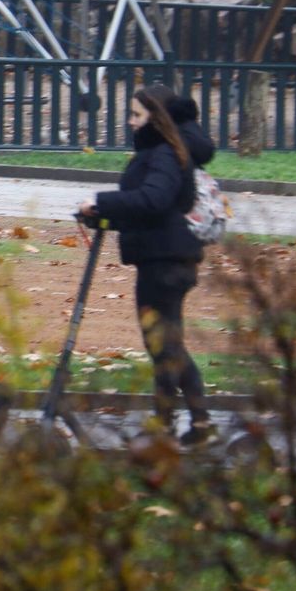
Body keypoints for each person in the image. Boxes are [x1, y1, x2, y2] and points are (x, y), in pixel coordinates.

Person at [80, 84, 218, 447]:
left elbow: (153, 201)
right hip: (162, 256)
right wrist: (101, 215)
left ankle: (196, 420)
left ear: (155, 119)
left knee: (166, 344)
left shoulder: (164, 154)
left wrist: (102, 202)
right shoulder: (161, 152)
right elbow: (145, 208)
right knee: (162, 344)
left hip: (166, 261)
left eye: (136, 115)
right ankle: (169, 420)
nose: (130, 122)